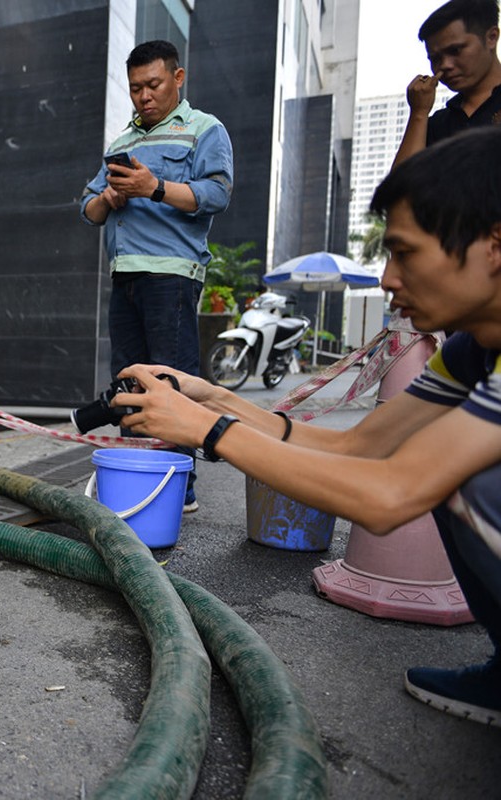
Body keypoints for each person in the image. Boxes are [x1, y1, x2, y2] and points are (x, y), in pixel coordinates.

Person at [114, 126, 501, 728]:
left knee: (466, 478)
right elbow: (358, 447)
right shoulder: (475, 348)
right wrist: (211, 398)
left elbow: (390, 494)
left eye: (405, 252)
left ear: (494, 245)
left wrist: (207, 432)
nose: (390, 280)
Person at [78, 39, 234, 512]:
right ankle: (135, 481)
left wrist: (155, 187)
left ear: (178, 78)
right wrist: (109, 198)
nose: (144, 96)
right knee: (129, 384)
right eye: (134, 89)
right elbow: (87, 209)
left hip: (172, 278)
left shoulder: (205, 129)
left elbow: (217, 194)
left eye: (153, 84)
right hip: (124, 275)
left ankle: (177, 489)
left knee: (169, 384)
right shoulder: (121, 141)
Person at [393, 0, 501, 168]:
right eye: (435, 59)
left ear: (491, 37)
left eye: (455, 51)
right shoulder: (438, 125)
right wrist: (419, 113)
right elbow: (402, 190)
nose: (445, 65)